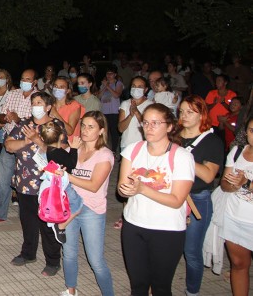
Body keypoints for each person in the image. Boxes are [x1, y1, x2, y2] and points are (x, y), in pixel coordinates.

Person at [118, 104, 195, 296]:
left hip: (166, 230)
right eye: (145, 122)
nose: (149, 127)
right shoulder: (133, 150)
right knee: (138, 285)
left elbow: (177, 200)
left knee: (161, 287)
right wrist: (127, 189)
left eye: (155, 123)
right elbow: (122, 189)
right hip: (134, 225)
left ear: (169, 126)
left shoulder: (182, 157)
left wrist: (143, 188)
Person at [5, 91, 65, 277]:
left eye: (39, 103)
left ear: (48, 107)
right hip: (24, 182)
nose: (35, 106)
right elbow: (8, 145)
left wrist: (38, 139)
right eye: (34, 103)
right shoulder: (24, 124)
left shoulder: (55, 126)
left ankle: (53, 260)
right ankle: (28, 253)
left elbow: (61, 152)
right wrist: (25, 140)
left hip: (47, 183)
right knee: (28, 220)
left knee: (47, 223)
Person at [61, 111, 115, 296]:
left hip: (92, 209)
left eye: (90, 126)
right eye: (83, 125)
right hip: (71, 206)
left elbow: (93, 186)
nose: (84, 130)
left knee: (96, 260)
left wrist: (68, 176)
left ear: (101, 130)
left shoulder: (104, 155)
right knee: (68, 253)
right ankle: (71, 290)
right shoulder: (76, 147)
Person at [178, 95, 224, 296]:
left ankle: (192, 292)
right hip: (173, 197)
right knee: (168, 246)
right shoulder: (175, 135)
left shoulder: (211, 140)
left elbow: (208, 175)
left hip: (197, 199)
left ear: (202, 114)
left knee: (191, 252)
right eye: (181, 111)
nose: (184, 116)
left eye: (190, 112)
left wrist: (182, 155)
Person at [0, 68, 37, 223]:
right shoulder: (12, 94)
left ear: (35, 82)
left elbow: (36, 121)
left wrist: (18, 119)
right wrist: (5, 117)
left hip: (29, 145)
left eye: (28, 79)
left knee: (26, 182)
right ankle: (0, 214)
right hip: (10, 140)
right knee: (3, 180)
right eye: (23, 78)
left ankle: (29, 215)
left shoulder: (38, 98)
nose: (24, 82)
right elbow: (1, 117)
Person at [219, 116, 253, 296]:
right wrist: (231, 184)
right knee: (239, 265)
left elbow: (244, 182)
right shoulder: (237, 152)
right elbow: (224, 184)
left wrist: (245, 182)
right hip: (234, 217)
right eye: (251, 131)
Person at [99, 64, 123, 153]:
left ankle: (113, 150)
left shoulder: (118, 83)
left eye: (111, 73)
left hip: (114, 112)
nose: (109, 75)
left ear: (115, 74)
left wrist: (108, 86)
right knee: (104, 131)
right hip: (104, 111)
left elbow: (117, 95)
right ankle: (104, 149)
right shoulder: (104, 84)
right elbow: (99, 96)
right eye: (107, 73)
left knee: (114, 132)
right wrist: (104, 86)